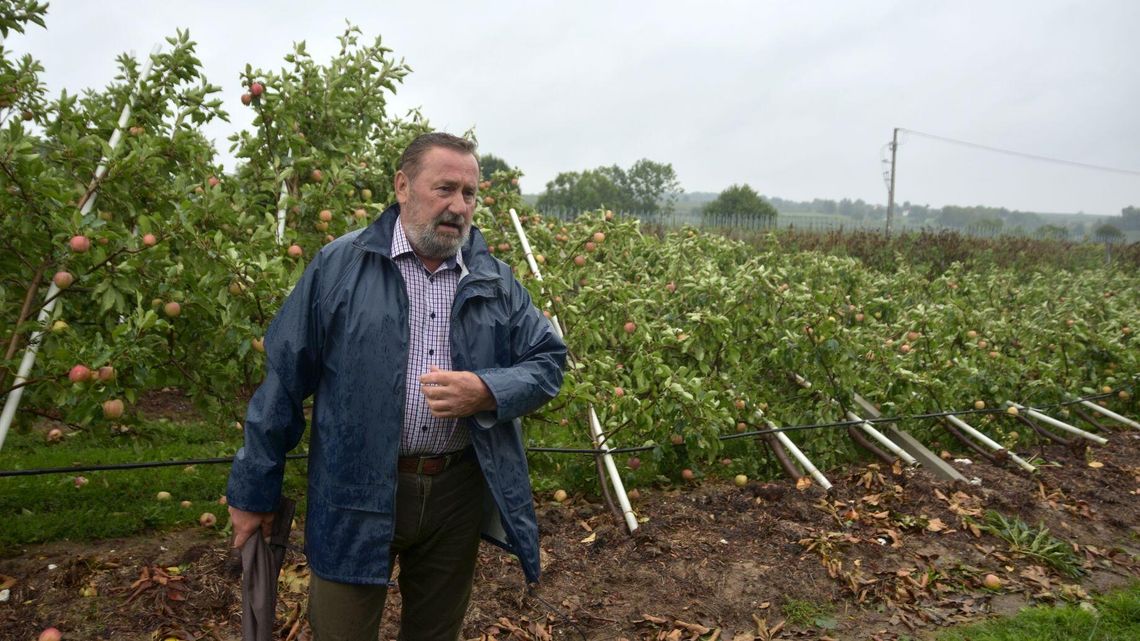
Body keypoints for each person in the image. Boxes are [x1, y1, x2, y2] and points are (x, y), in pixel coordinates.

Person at [226, 132, 567, 641]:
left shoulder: (494, 279)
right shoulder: (339, 267)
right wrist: (254, 490)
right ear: (403, 186)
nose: (459, 206)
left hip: (455, 491)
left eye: (470, 194)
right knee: (342, 630)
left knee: (436, 632)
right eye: (445, 189)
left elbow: (548, 360)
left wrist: (487, 389)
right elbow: (282, 381)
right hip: (354, 486)